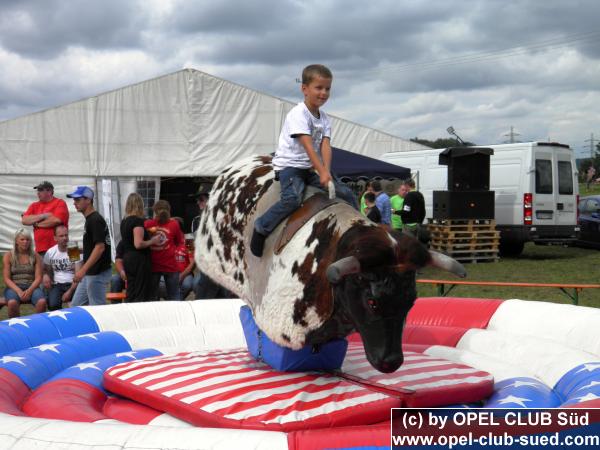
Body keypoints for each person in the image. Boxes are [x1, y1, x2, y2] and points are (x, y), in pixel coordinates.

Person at [251, 64, 357, 257]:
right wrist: (322, 172)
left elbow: (325, 145)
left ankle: (359, 231)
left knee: (346, 192)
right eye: (319, 88)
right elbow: (308, 146)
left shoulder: (324, 118)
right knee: (292, 199)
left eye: (327, 88)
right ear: (304, 89)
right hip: (290, 166)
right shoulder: (298, 114)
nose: (324, 93)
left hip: (310, 167)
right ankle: (261, 228)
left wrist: (326, 170)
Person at [67, 186, 112, 306]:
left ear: (88, 200)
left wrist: (82, 271)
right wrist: (81, 250)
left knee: (97, 309)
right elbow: (96, 245)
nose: (74, 203)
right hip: (91, 272)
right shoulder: (90, 219)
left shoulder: (95, 220)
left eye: (77, 200)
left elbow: (100, 247)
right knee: (76, 307)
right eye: (74, 200)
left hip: (96, 272)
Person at [120, 193, 160, 302]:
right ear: (140, 205)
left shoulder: (124, 222)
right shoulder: (137, 221)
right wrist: (153, 241)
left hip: (127, 258)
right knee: (140, 292)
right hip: (138, 260)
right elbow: (138, 244)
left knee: (131, 290)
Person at [145, 200, 184, 301]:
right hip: (170, 264)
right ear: (169, 210)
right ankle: (176, 316)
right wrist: (172, 250)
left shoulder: (148, 224)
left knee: (152, 297)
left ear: (154, 211)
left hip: (154, 265)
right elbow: (180, 242)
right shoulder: (174, 224)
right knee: (174, 296)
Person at [3, 228, 47, 318]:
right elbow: (6, 278)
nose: (25, 242)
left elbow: (39, 277)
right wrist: (18, 291)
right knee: (12, 303)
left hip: (32, 286)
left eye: (27, 239)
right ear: (16, 241)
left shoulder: (35, 256)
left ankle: (38, 326)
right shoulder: (8, 256)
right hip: (14, 287)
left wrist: (30, 291)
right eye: (22, 239)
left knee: (42, 302)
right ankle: (16, 328)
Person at [21, 181, 69, 255]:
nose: (38, 193)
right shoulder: (34, 205)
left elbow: (56, 220)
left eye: (40, 190)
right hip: (40, 249)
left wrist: (36, 224)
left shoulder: (59, 202)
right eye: (38, 190)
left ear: (49, 191)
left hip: (58, 247)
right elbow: (24, 220)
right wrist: (43, 216)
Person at [42, 225, 79, 311]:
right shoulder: (51, 252)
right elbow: (45, 269)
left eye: (66, 235)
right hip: (57, 284)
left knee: (74, 307)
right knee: (53, 305)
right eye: (61, 236)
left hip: (72, 283)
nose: (65, 238)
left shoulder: (72, 249)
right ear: (55, 238)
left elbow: (78, 275)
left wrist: (69, 292)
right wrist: (45, 275)